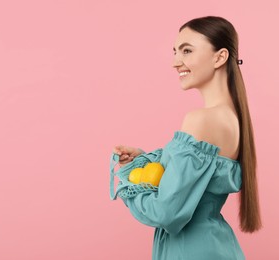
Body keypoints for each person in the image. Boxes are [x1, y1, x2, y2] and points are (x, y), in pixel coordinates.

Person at [112, 16, 262, 260]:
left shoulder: (201, 120)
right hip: (213, 246)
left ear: (220, 57)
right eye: (175, 51)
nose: (175, 62)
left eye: (187, 50)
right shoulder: (232, 117)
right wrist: (144, 162)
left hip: (190, 250)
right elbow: (195, 182)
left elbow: (165, 212)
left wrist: (128, 181)